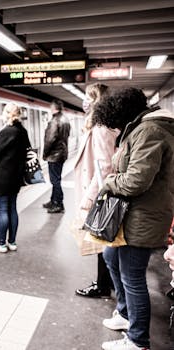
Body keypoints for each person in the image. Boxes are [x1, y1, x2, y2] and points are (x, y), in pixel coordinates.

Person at [94, 87, 174, 350]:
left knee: (133, 277)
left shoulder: (150, 131)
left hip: (143, 216)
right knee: (110, 257)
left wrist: (109, 181)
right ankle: (126, 314)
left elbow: (135, 182)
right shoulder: (144, 128)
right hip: (135, 214)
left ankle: (138, 340)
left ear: (126, 115)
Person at [73, 84, 118, 299]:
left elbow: (104, 165)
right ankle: (103, 282)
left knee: (100, 238)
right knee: (100, 239)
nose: (84, 102)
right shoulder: (101, 126)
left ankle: (102, 286)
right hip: (98, 189)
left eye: (87, 98)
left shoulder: (101, 128)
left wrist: (90, 198)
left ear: (96, 101)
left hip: (98, 193)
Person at [0, 102, 30, 253]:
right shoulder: (22, 131)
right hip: (16, 177)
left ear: (7, 114)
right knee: (12, 208)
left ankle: (1, 244)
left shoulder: (6, 132)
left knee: (2, 209)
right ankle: (12, 242)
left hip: (3, 176)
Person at [42, 99, 71, 213]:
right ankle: (53, 200)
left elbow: (50, 139)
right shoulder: (65, 120)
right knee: (56, 179)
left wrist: (45, 153)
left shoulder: (55, 121)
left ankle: (58, 203)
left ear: (54, 108)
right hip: (62, 153)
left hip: (54, 155)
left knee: (55, 180)